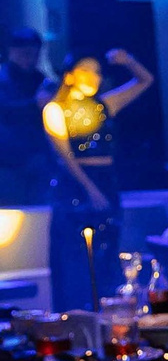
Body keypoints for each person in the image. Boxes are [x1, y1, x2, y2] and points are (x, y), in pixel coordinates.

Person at [41, 46, 154, 306]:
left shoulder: (104, 105)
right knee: (77, 254)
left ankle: (109, 311)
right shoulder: (55, 109)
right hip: (76, 185)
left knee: (107, 248)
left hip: (106, 179)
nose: (93, 77)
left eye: (97, 72)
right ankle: (79, 312)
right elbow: (65, 157)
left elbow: (145, 80)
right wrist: (90, 190)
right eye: (86, 71)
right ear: (69, 75)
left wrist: (128, 60)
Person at [0, 29, 53, 208]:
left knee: (38, 209)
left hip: (37, 158)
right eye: (25, 53)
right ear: (11, 51)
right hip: (6, 161)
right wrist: (34, 104)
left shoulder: (40, 79)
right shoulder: (2, 78)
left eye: (34, 54)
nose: (29, 59)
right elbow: (5, 110)